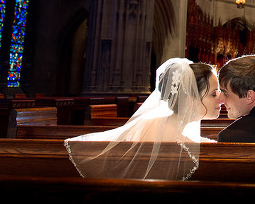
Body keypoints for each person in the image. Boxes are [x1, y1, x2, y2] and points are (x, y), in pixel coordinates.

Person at [64, 58, 221, 180]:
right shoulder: (182, 144)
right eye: (214, 94)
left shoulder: (151, 123)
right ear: (189, 100)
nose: (220, 100)